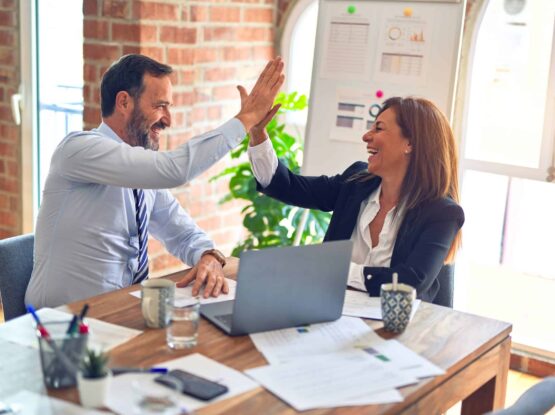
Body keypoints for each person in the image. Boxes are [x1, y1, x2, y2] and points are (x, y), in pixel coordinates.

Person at [25, 54, 284, 308]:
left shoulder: (141, 174)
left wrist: (208, 255)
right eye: (160, 106)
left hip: (119, 313)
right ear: (124, 102)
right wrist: (246, 119)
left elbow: (181, 232)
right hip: (59, 324)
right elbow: (174, 170)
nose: (168, 120)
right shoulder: (79, 149)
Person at [247, 96, 464, 303]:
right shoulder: (356, 182)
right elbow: (288, 187)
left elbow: (410, 282)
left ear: (410, 143)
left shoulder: (442, 213)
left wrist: (337, 270)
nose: (366, 136)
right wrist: (257, 134)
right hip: (331, 313)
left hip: (399, 329)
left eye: (378, 128)